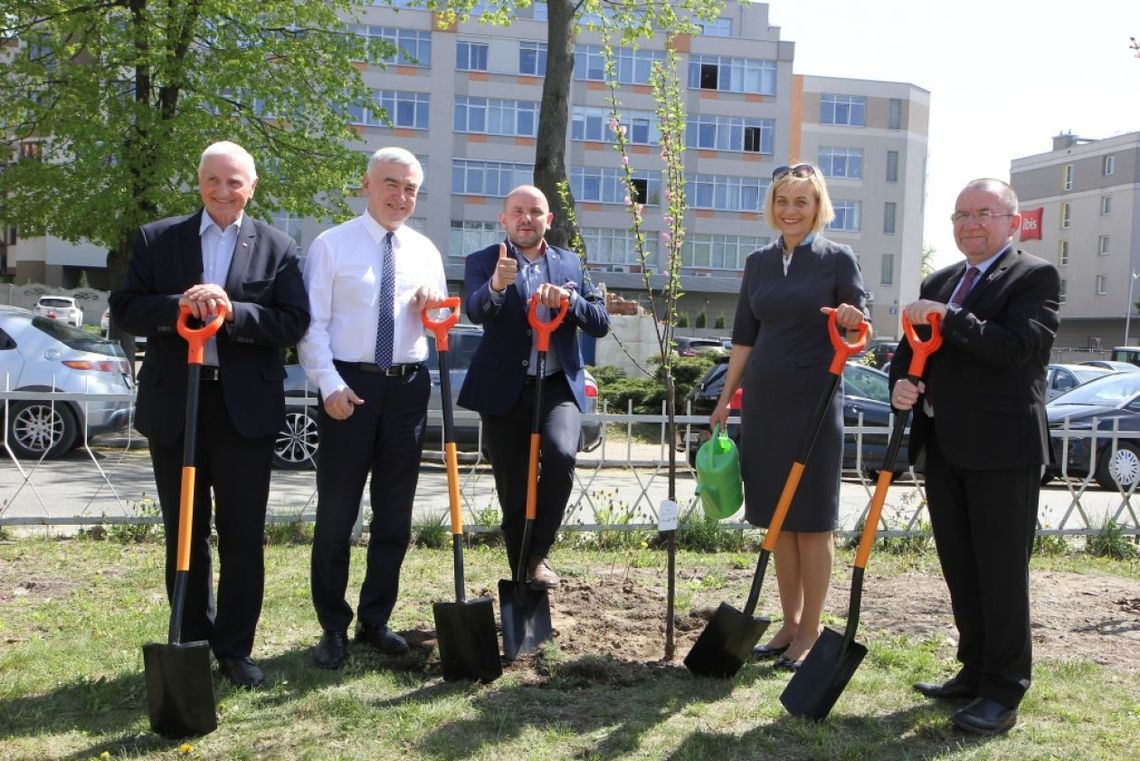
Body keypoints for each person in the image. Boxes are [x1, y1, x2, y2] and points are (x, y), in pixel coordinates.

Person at [110, 140, 311, 688]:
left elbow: (293, 323)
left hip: (245, 409)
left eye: (235, 182)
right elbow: (124, 308)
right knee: (185, 530)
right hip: (178, 403)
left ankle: (235, 649)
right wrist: (179, 303)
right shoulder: (158, 239)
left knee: (243, 532)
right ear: (198, 181)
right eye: (213, 180)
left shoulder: (279, 247)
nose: (223, 191)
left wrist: (232, 311)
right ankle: (190, 639)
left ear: (252, 186)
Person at [890, 178, 1060, 736]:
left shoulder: (1034, 276)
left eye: (983, 213)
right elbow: (911, 354)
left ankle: (1003, 691)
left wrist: (950, 316)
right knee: (961, 568)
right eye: (960, 215)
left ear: (1012, 220)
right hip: (943, 447)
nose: (970, 225)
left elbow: (1016, 348)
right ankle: (973, 670)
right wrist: (902, 385)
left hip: (1003, 452)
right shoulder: (940, 280)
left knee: (1001, 574)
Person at [709, 163, 867, 671]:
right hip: (765, 406)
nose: (791, 211)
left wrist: (850, 319)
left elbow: (859, 333)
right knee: (778, 520)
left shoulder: (838, 259)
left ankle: (813, 629)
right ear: (771, 206)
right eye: (782, 201)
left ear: (818, 206)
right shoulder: (757, 262)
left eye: (801, 201)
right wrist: (725, 397)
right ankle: (790, 622)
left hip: (816, 404)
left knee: (812, 522)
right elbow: (743, 340)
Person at [299, 147, 447, 670]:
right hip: (349, 389)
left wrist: (432, 309)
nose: (400, 196)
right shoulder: (331, 245)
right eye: (391, 183)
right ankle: (332, 627)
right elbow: (311, 327)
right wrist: (329, 385)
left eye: (410, 188)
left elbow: (439, 323)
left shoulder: (426, 251)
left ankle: (375, 619)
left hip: (406, 389)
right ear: (367, 184)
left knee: (395, 516)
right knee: (337, 515)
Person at [458, 185, 610, 589]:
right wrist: (495, 286)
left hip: (557, 386)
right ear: (504, 219)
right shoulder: (483, 260)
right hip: (504, 390)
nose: (527, 218)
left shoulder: (571, 264)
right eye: (518, 212)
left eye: (535, 212)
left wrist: (568, 301)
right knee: (513, 485)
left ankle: (538, 556)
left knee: (561, 457)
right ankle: (521, 571)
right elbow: (475, 312)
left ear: (548, 220)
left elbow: (600, 320)